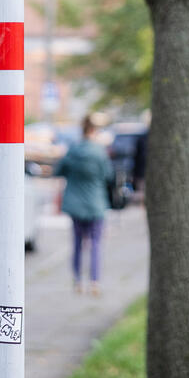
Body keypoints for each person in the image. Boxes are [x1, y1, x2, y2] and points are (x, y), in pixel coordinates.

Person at [54, 114, 112, 295]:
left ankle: (77, 280)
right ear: (94, 130)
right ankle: (94, 281)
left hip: (75, 204)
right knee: (95, 243)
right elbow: (108, 176)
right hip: (95, 203)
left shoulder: (73, 150)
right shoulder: (100, 152)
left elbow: (59, 170)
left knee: (77, 243)